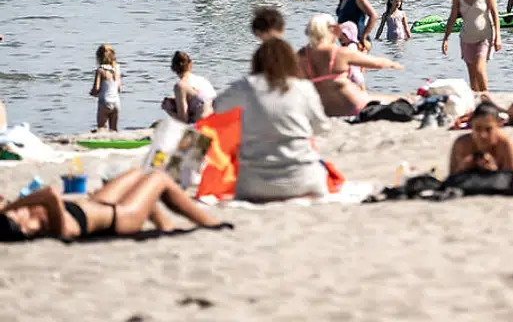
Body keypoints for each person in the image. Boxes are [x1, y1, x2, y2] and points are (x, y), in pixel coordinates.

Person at [214, 37, 332, 201]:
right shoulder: (304, 88)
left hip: (254, 184)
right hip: (303, 179)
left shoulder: (246, 86)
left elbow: (218, 107)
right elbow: (322, 127)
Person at [1, 169, 226, 241]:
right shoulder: (62, 228)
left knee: (137, 173)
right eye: (16, 216)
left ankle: (166, 227)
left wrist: (7, 208)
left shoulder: (34, 219)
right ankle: (211, 224)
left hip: (97, 203)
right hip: (122, 217)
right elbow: (50, 194)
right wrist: (9, 209)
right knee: (159, 177)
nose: (18, 211)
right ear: (25, 229)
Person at [299, 14, 404, 116]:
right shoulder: (340, 53)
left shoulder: (302, 55)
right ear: (334, 30)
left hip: (322, 109)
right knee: (398, 99)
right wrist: (394, 64)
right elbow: (377, 63)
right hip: (351, 106)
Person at [442, 0, 502, 92]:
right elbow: (452, 16)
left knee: (479, 70)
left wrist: (498, 37)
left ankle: (486, 98)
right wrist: (446, 38)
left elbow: (494, 14)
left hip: (484, 36)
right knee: (472, 76)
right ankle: (476, 101)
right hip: (466, 38)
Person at [449, 102, 513, 182]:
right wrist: (464, 168)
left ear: (498, 126)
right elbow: (451, 179)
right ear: (471, 126)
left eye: (488, 129)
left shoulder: (505, 144)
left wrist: (494, 171)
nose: (483, 135)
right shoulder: (462, 144)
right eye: (478, 128)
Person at [161, 51, 216, 123]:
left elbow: (183, 120)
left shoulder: (180, 86)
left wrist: (168, 110)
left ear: (172, 68)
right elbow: (198, 98)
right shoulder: (202, 80)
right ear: (190, 64)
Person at [90, 44, 121, 131]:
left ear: (99, 57)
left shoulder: (100, 70)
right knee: (114, 129)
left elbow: (96, 88)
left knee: (101, 128)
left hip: (105, 102)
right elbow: (119, 88)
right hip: (116, 102)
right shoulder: (116, 69)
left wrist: (93, 93)